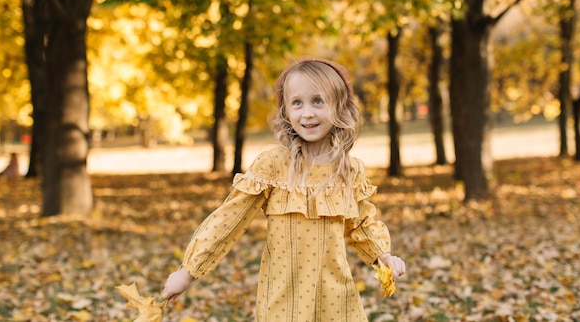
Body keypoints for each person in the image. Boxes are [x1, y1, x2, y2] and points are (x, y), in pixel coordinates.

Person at [163, 56, 406, 321]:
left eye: (318, 101)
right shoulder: (273, 165)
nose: (307, 113)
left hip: (336, 298)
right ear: (286, 112)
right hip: (284, 299)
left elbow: (362, 224)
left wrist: (384, 256)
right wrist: (188, 271)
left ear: (339, 107)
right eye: (297, 103)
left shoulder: (349, 170)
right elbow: (228, 220)